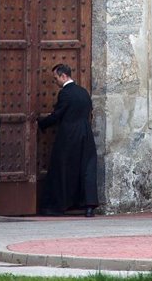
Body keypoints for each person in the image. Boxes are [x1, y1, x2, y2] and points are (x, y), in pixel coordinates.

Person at [38, 63, 99, 217]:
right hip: (86, 134)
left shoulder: (65, 93)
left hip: (69, 134)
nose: (55, 81)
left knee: (63, 168)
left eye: (56, 78)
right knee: (86, 169)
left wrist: (42, 123)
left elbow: (58, 115)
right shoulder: (83, 92)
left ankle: (59, 206)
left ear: (63, 76)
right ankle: (89, 206)